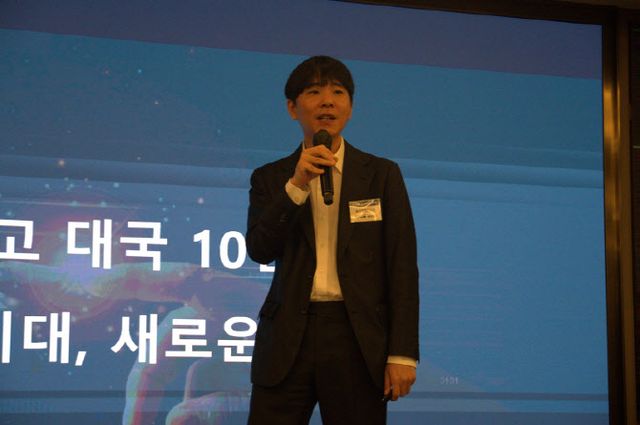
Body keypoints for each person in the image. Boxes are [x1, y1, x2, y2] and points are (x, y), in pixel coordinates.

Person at [245, 55, 419, 425]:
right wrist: (297, 185)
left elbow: (401, 267)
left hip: (357, 338)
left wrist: (402, 353)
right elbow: (259, 249)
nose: (327, 101)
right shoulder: (270, 178)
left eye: (338, 93)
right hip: (288, 337)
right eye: (314, 92)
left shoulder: (382, 175)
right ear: (292, 108)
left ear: (350, 108)